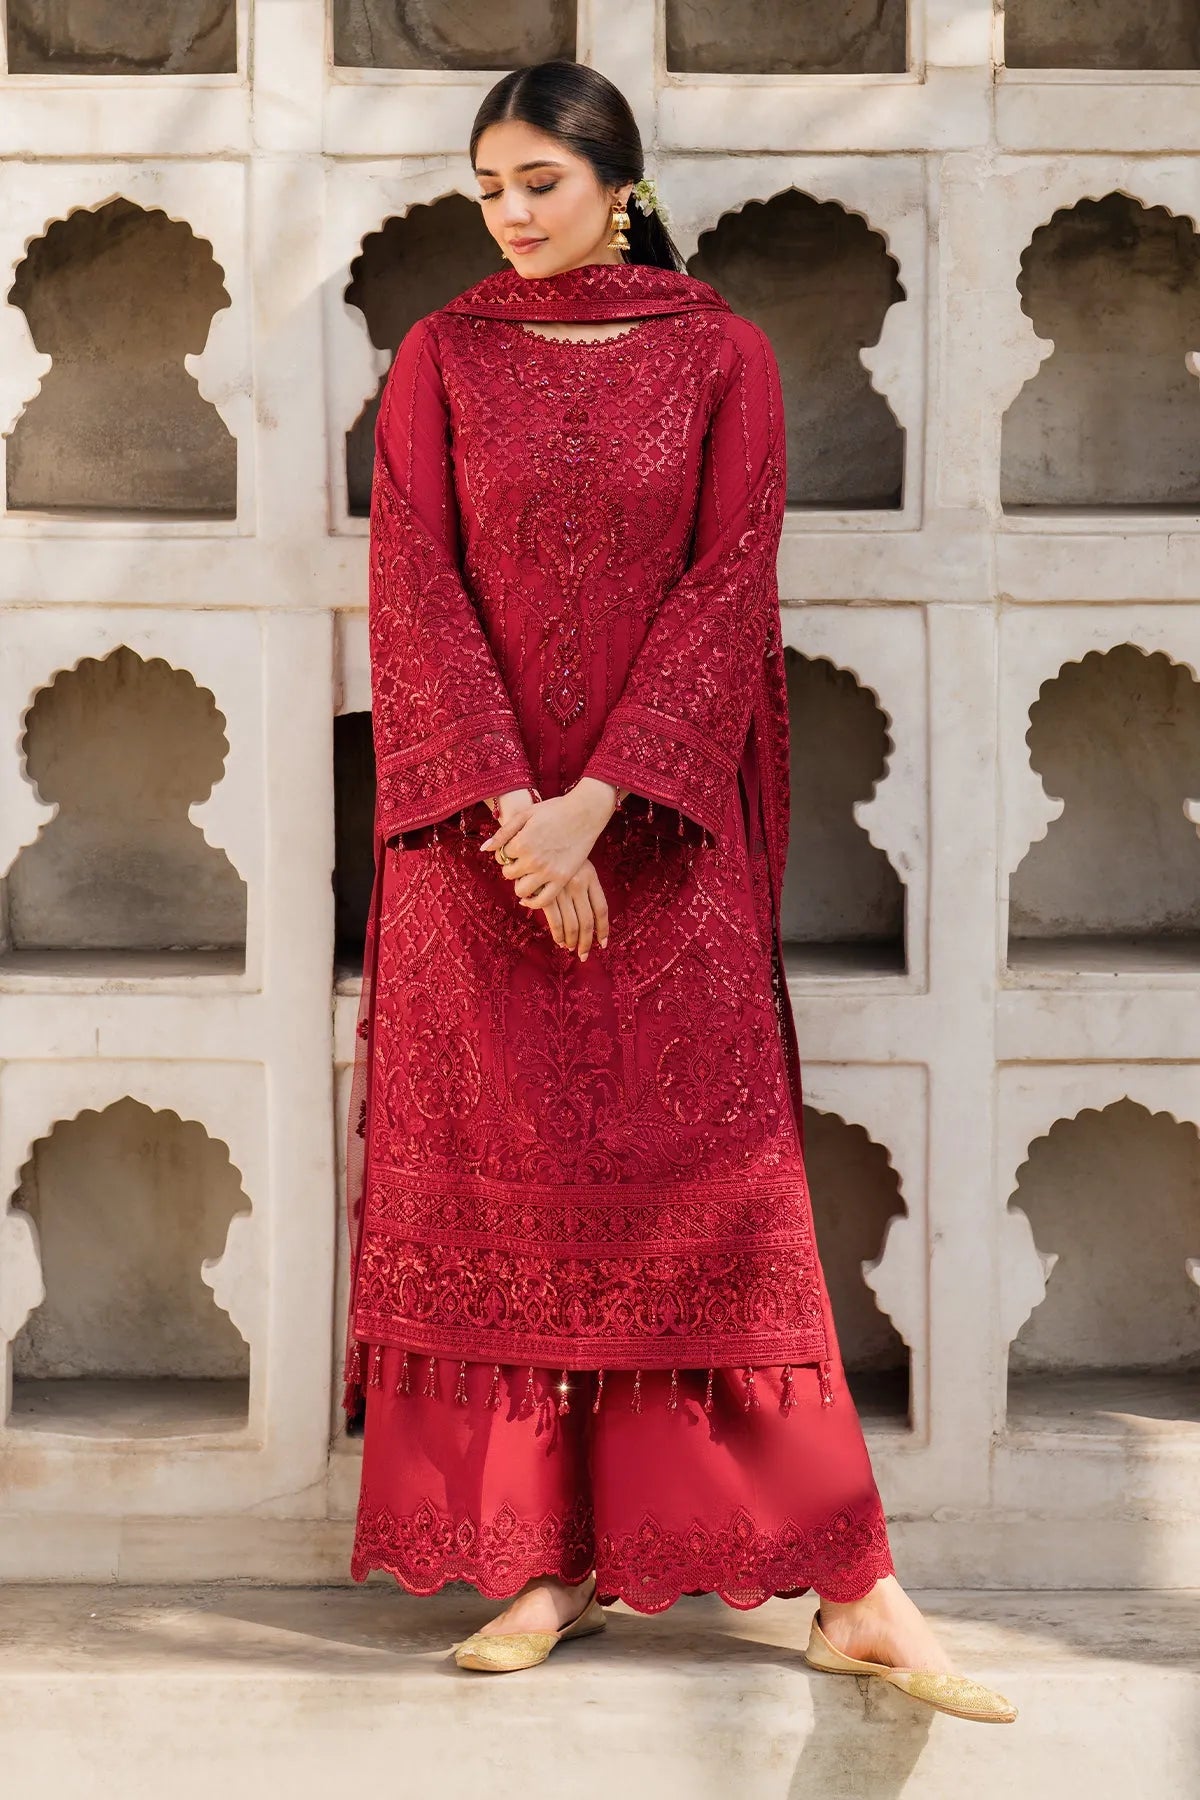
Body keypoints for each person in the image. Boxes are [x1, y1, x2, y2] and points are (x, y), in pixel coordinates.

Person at [342, 58, 1015, 1725]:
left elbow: (729, 587)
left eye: (540, 183)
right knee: (506, 1204)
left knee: (718, 1213)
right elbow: (413, 584)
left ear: (620, 185)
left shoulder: (721, 356)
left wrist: (598, 809)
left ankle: (853, 1588)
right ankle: (546, 1564)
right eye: (487, 187)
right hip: (481, 852)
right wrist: (517, 817)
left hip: (661, 840)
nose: (508, 214)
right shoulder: (442, 355)